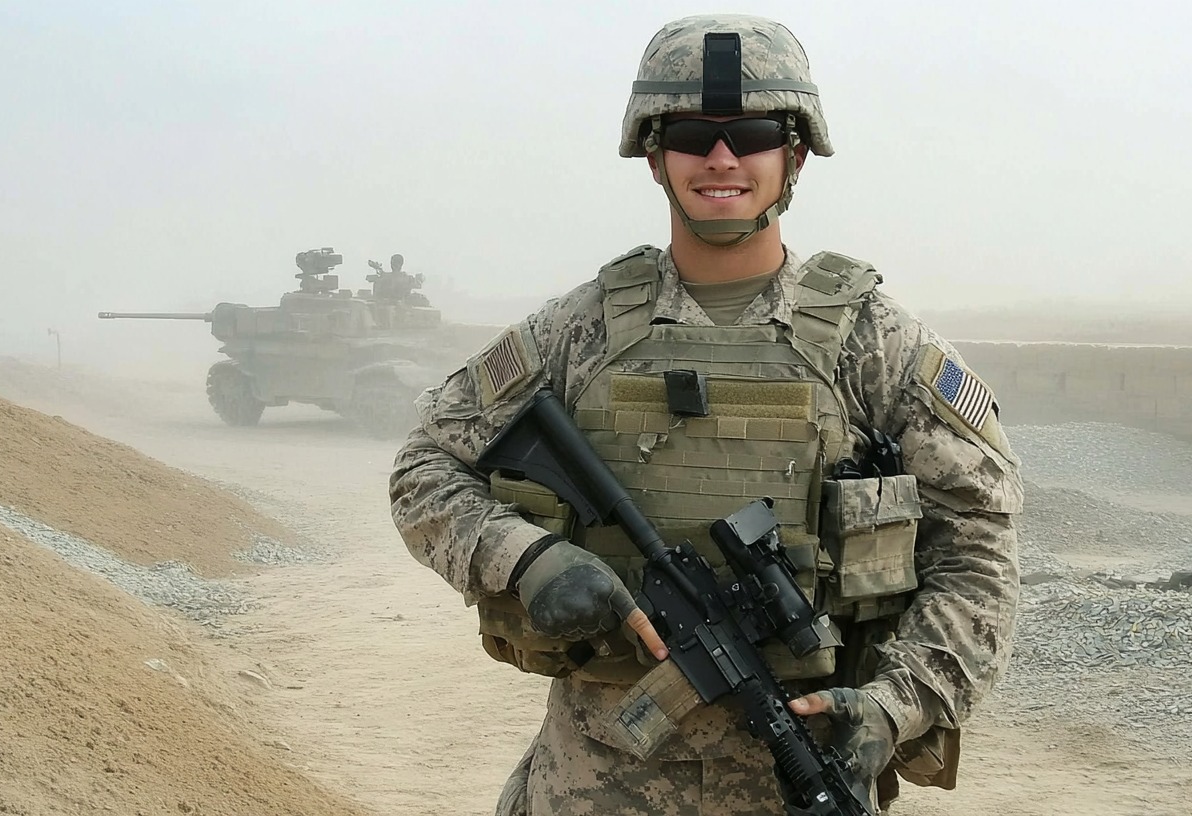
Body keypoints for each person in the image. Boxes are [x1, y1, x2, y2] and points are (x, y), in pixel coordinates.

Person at [389, 13, 1022, 816]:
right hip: (592, 786)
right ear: (654, 155)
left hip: (800, 782)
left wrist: (896, 705)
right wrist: (529, 559)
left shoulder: (875, 344)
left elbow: (981, 550)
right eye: (692, 134)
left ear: (793, 153)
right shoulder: (578, 333)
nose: (722, 158)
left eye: (752, 133)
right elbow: (424, 469)